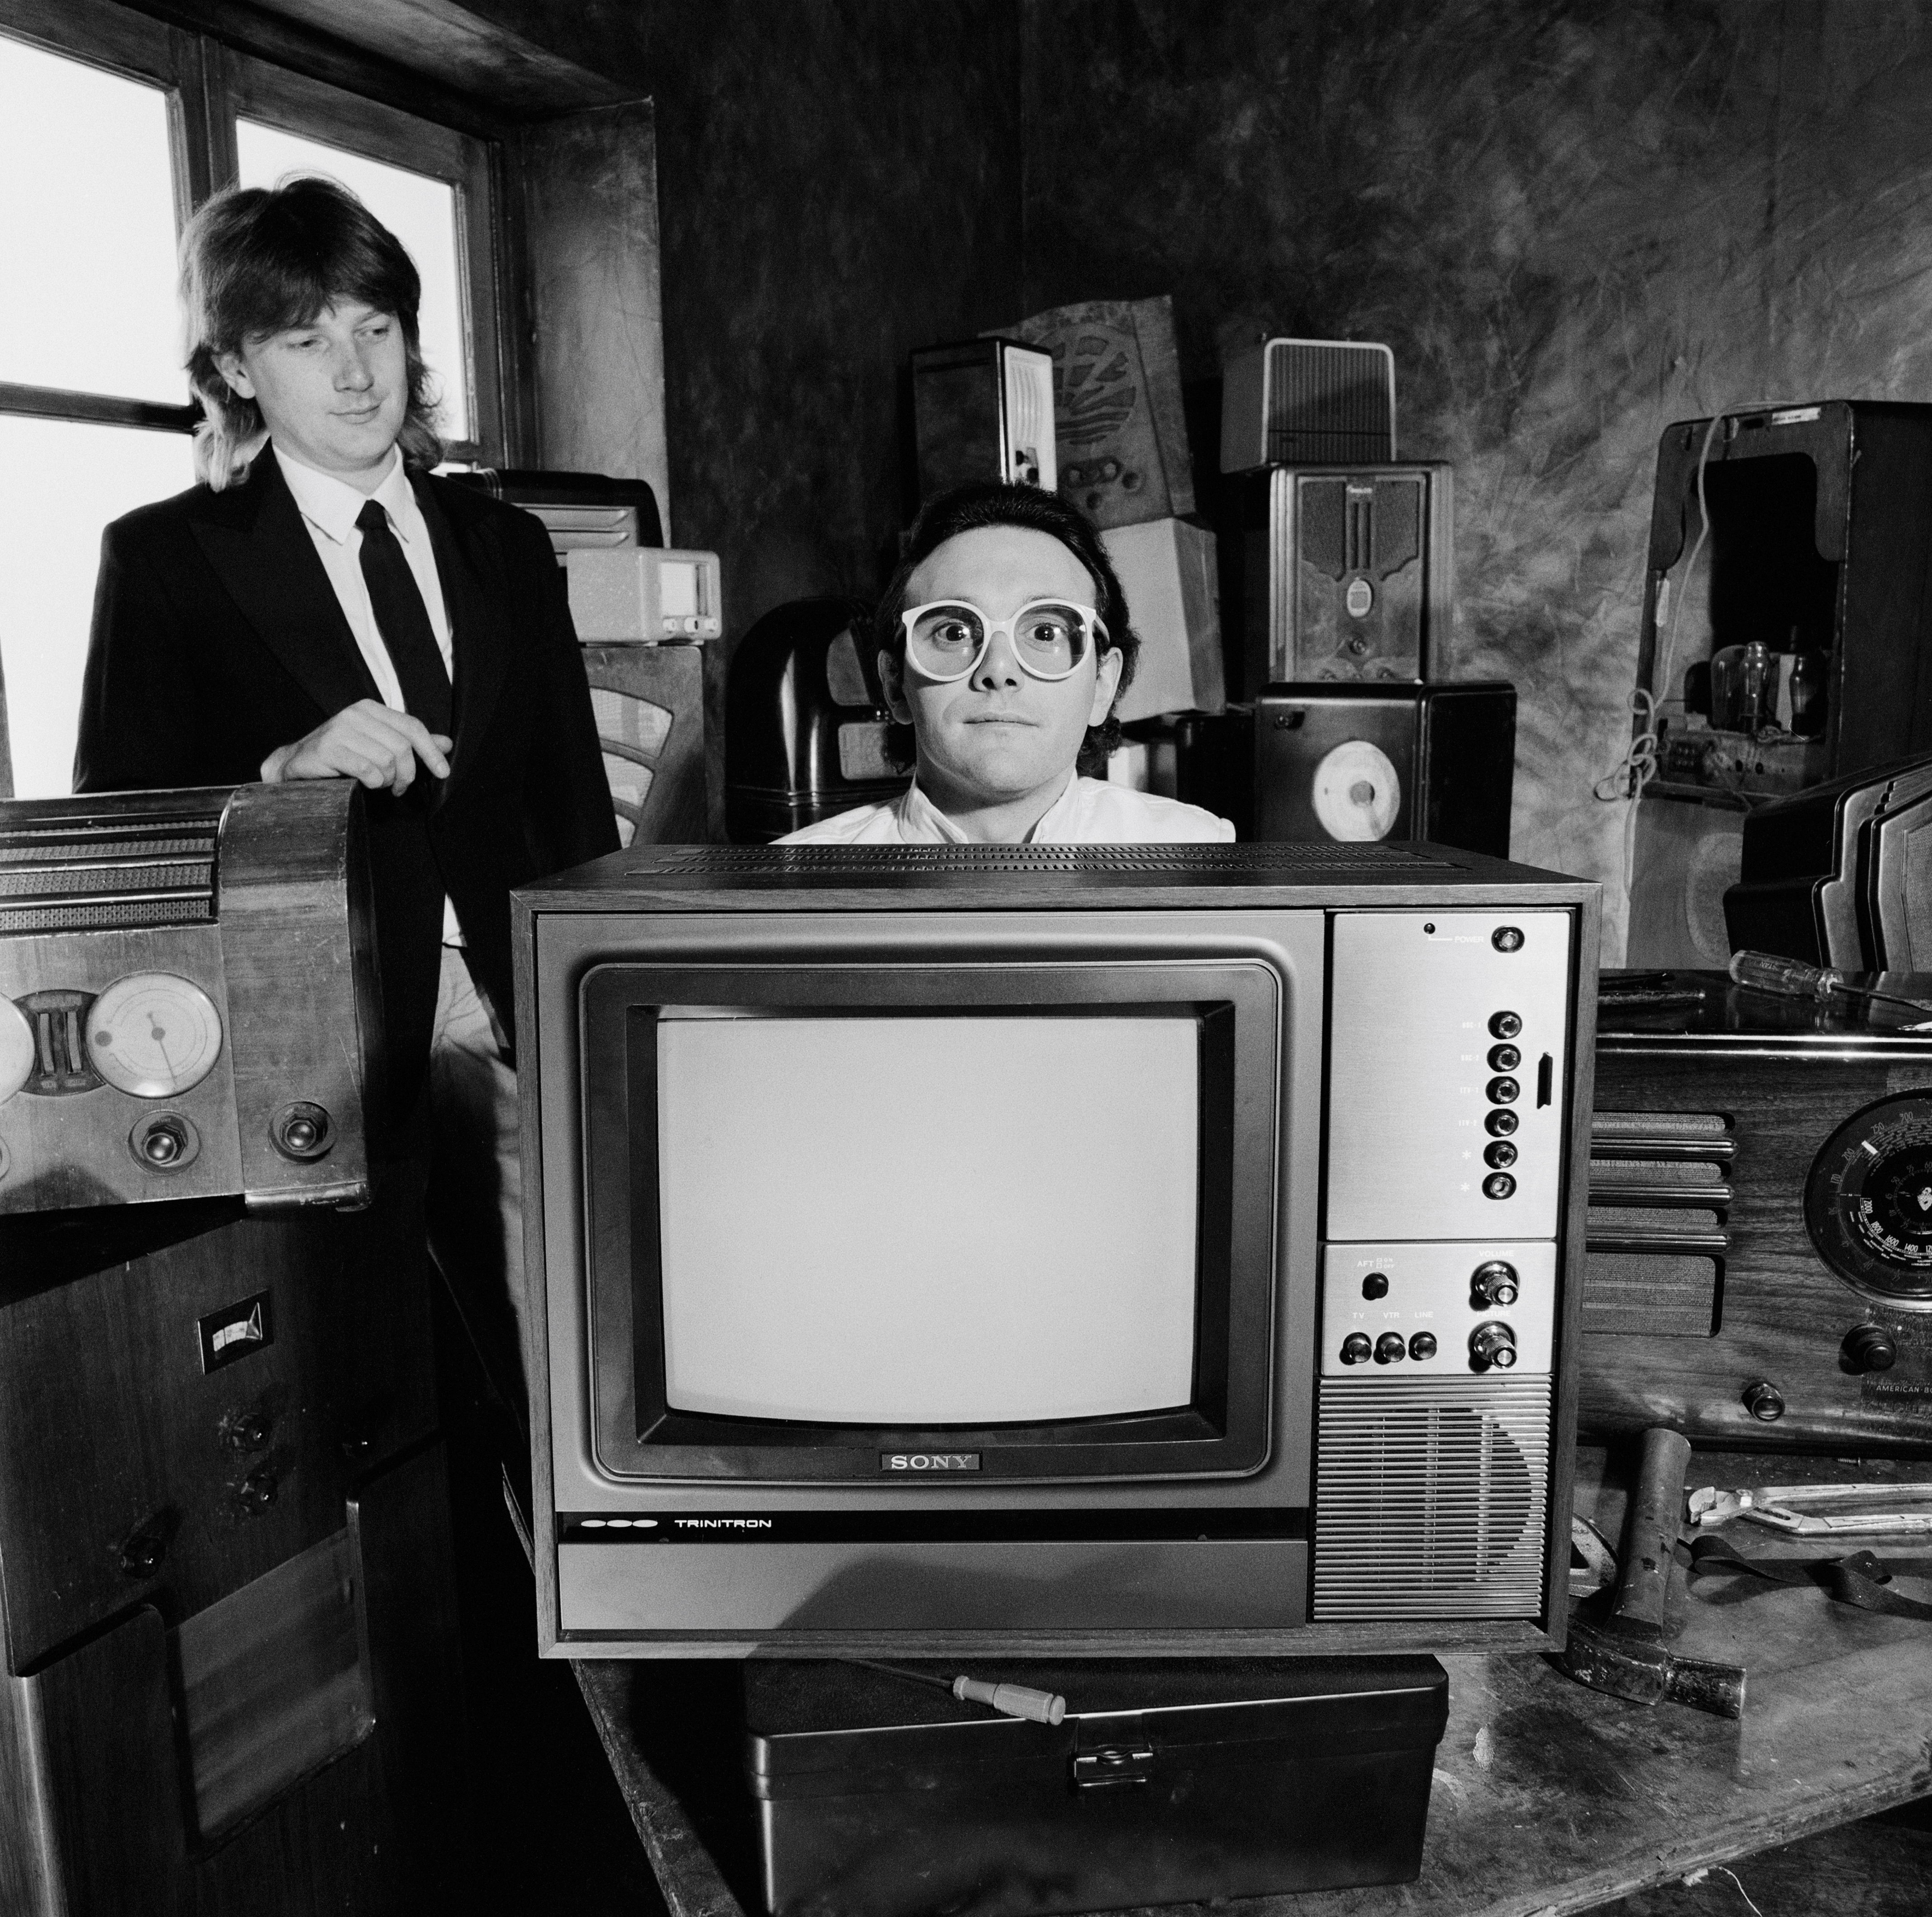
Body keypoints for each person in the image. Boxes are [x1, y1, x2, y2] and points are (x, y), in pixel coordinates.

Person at [72, 175, 616, 1421]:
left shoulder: (505, 546)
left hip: (505, 1016)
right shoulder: (162, 556)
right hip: (309, 1042)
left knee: (557, 1372)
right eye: (305, 338)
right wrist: (278, 775)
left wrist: (589, 1011)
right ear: (237, 368)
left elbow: (571, 805)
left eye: (375, 326)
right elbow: (121, 836)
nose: (355, 369)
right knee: (370, 1403)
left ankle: (559, 1610)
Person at [779, 482, 1234, 844]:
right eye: (954, 633)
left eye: (1044, 633)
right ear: (895, 684)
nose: (999, 670)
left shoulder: (1196, 857)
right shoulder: (791, 893)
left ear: (1102, 684)